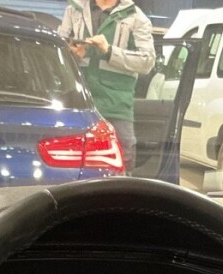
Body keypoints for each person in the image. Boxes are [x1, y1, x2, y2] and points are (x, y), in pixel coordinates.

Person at [58, 0, 155, 173]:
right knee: (68, 170)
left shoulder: (136, 17)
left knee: (120, 173)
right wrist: (71, 54)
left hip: (116, 108)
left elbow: (147, 62)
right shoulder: (74, 11)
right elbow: (57, 49)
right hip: (76, 105)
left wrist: (109, 50)